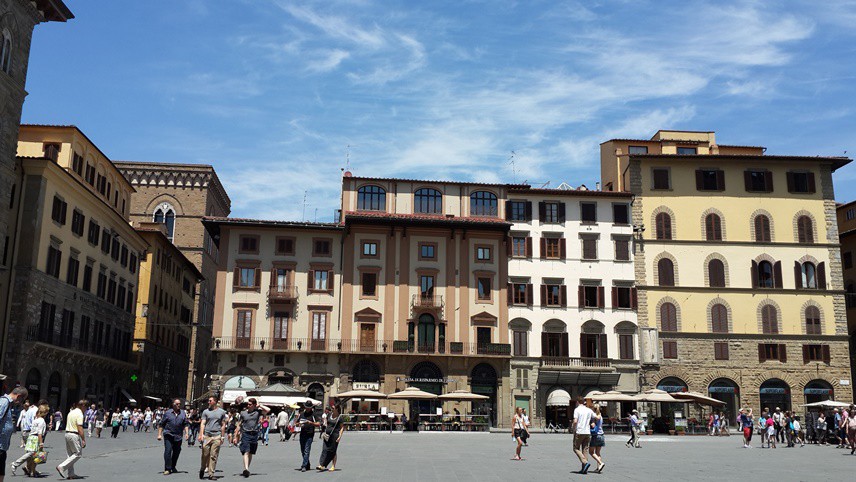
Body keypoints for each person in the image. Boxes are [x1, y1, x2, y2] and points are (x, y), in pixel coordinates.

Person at [233, 397, 271, 478]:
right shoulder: (243, 413)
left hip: (254, 434)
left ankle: (247, 468)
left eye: (250, 404)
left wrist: (260, 405)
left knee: (250, 452)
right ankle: (246, 469)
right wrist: (235, 436)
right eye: (248, 404)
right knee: (246, 451)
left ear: (254, 405)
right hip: (246, 433)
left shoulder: (257, 412)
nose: (248, 405)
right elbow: (239, 425)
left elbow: (268, 410)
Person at [1, 387, 29, 482]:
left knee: (1, 472)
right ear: (19, 396)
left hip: (2, 445)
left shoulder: (8, 403)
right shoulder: (4, 402)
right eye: (22, 400)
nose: (21, 403)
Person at [12, 402, 48, 477]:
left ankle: (32, 471)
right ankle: (16, 463)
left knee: (33, 456)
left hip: (31, 437)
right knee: (31, 454)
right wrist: (41, 443)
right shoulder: (41, 421)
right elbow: (39, 433)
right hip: (35, 438)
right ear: (44, 413)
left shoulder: (36, 419)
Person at [56, 399, 87, 480]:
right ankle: (62, 467)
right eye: (86, 407)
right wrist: (83, 439)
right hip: (74, 434)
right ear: (82, 406)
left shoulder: (71, 412)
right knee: (78, 454)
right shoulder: (80, 414)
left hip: (67, 433)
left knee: (70, 455)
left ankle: (71, 474)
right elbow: (79, 427)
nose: (86, 409)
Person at [158, 399, 189, 475]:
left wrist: (187, 433)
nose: (179, 405)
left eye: (180, 404)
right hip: (168, 434)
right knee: (168, 451)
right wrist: (159, 434)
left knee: (176, 452)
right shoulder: (167, 413)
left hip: (178, 436)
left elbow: (185, 424)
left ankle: (173, 466)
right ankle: (167, 468)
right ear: (173, 404)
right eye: (177, 404)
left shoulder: (182, 413)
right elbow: (162, 424)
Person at [198, 396, 226, 480]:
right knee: (205, 454)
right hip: (207, 436)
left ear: (215, 402)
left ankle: (211, 473)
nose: (209, 402)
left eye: (210, 401)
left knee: (214, 455)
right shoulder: (205, 412)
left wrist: (222, 436)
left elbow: (223, 424)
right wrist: (201, 434)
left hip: (216, 436)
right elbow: (203, 423)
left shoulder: (222, 412)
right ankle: (202, 468)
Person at [317, 404, 344, 472]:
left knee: (333, 451)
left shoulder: (339, 417)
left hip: (335, 435)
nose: (331, 409)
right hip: (327, 434)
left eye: (333, 408)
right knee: (324, 449)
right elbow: (326, 423)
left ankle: (333, 466)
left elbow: (342, 428)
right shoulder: (329, 415)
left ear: (337, 409)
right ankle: (321, 464)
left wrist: (340, 437)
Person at [571, 397, 594, 474]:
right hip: (587, 432)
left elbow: (575, 421)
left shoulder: (577, 410)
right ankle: (584, 469)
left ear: (577, 402)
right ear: (584, 402)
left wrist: (573, 428)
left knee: (575, 448)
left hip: (579, 431)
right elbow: (595, 417)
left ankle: (585, 462)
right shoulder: (588, 410)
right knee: (585, 449)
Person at [297, 402, 320, 472]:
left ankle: (304, 465)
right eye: (306, 407)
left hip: (310, 434)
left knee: (307, 450)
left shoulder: (314, 414)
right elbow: (296, 423)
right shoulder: (302, 414)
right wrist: (299, 424)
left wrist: (311, 423)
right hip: (302, 433)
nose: (307, 408)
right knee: (302, 450)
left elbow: (318, 424)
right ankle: (307, 464)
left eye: (308, 407)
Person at [588, 404, 605, 473]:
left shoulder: (594, 417)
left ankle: (601, 463)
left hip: (595, 435)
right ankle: (598, 468)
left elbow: (593, 425)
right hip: (602, 435)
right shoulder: (600, 416)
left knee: (591, 452)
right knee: (598, 452)